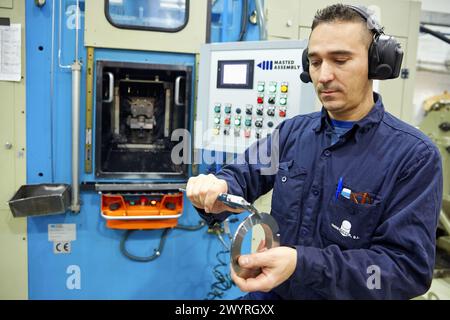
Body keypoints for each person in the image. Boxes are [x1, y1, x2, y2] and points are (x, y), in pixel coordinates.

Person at [186, 4, 443, 299]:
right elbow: (242, 176)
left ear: (376, 64)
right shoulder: (293, 133)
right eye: (316, 62)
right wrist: (218, 189)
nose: (323, 76)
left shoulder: (414, 157)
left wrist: (301, 264)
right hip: (274, 294)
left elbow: (405, 271)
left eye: (340, 60)